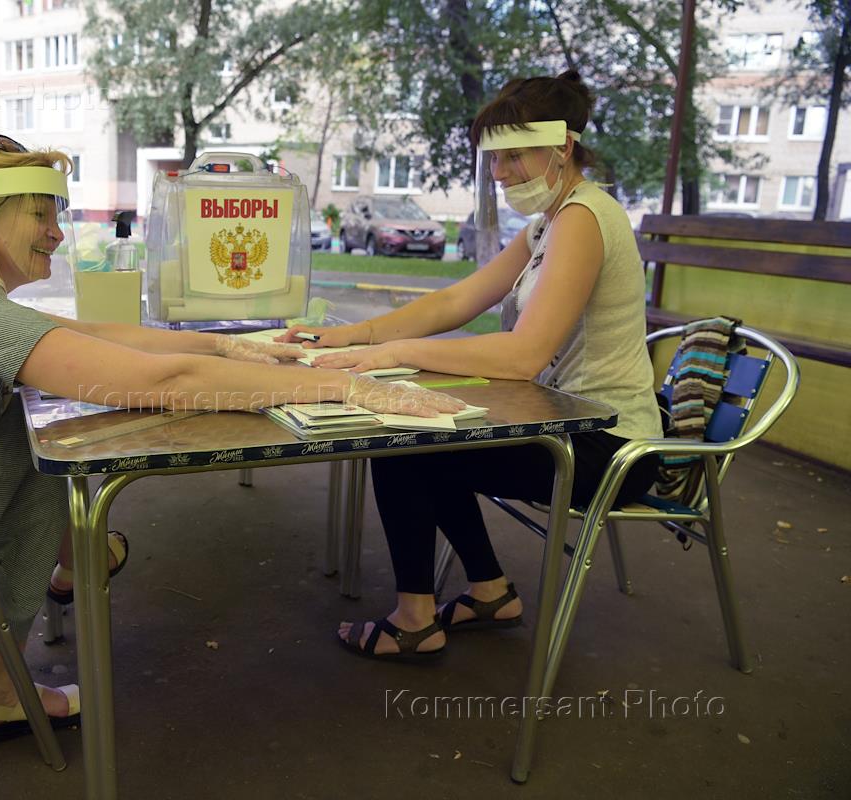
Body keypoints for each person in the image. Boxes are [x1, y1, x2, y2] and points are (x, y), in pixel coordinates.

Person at [0, 134, 459, 740]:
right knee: (34, 445)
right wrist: (339, 385)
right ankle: (17, 663)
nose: (59, 233)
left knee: (18, 422)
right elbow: (155, 383)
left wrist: (229, 346)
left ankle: (67, 569)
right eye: (42, 214)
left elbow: (92, 335)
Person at [279, 72, 663, 661]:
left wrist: (398, 352)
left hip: (607, 444)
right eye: (495, 158)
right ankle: (489, 593)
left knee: (407, 446)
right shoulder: (550, 222)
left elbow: (523, 355)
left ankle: (416, 621)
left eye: (514, 156)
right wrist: (345, 337)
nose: (500, 172)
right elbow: (457, 300)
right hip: (565, 422)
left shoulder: (585, 219)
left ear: (562, 147)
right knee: (428, 441)